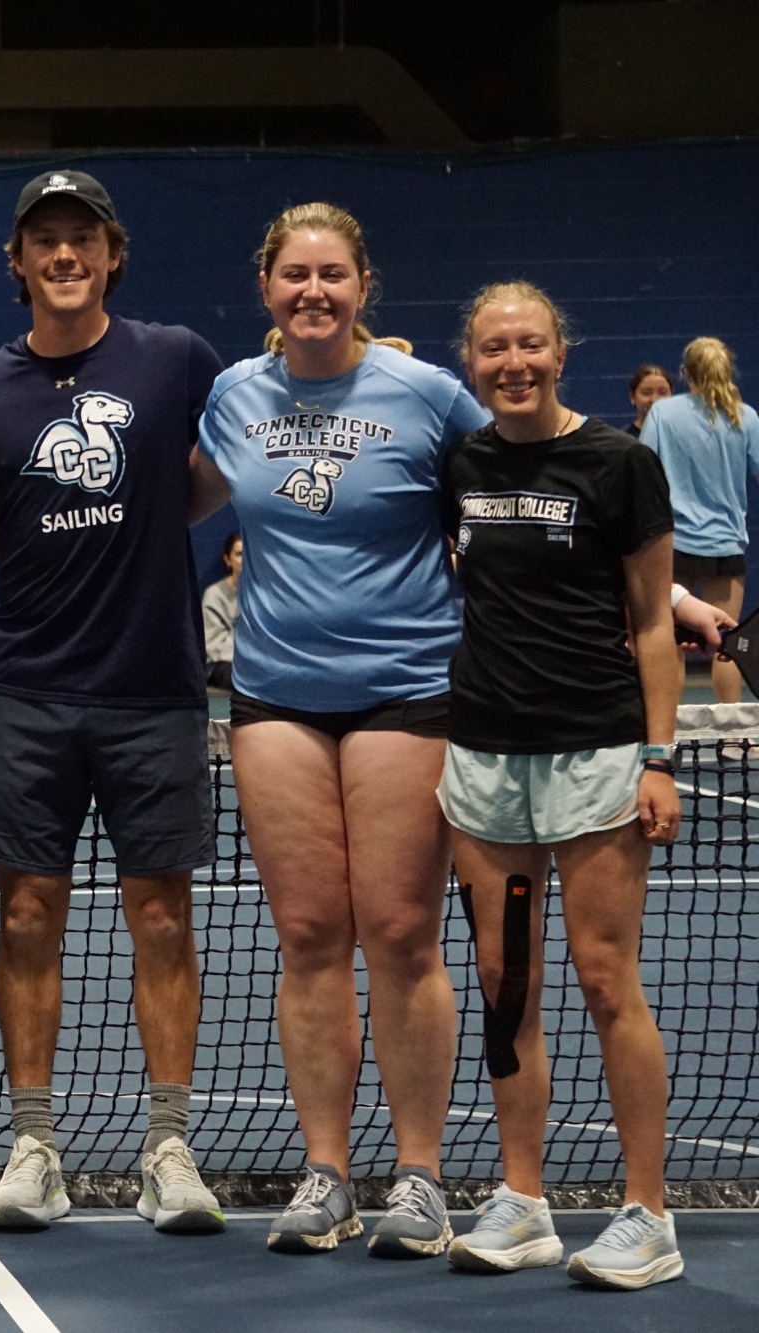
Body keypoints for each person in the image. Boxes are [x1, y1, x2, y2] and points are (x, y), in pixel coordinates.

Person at [189, 202, 490, 1258]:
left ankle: (416, 1175)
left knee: (401, 931)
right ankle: (325, 1175)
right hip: (273, 694)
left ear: (362, 285)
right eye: (292, 276)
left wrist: (662, 597)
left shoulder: (426, 395)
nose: (310, 291)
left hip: (406, 688)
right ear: (265, 288)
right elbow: (159, 505)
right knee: (309, 933)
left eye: (330, 274)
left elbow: (526, 492)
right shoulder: (231, 395)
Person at [0, 170, 226, 1235]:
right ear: (17, 265)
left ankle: (168, 1144)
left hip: (154, 688)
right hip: (28, 688)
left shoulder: (173, 358)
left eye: (81, 239)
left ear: (112, 253)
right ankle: (34, 1145)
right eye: (42, 242)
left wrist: (161, 520)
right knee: (25, 915)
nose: (62, 255)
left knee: (160, 918)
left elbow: (217, 471)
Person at [438, 282, 685, 1289]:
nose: (512, 363)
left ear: (558, 350)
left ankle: (647, 1213)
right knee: (506, 988)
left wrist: (658, 756)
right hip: (485, 760)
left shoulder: (620, 462)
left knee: (599, 976)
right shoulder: (460, 461)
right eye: (492, 348)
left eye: (528, 345)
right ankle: (521, 1200)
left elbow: (651, 621)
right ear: (470, 360)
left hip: (593, 755)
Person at [640, 337, 759, 704]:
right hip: (725, 544)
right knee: (728, 643)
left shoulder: (662, 414)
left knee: (668, 638)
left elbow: (643, 469)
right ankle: (737, 734)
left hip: (672, 545)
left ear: (685, 372)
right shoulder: (747, 417)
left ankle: (667, 732)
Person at [201, 532, 242, 691]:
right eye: (239, 554)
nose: (244, 560)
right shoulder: (215, 594)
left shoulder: (263, 594)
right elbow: (213, 645)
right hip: (223, 664)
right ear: (228, 559)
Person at [622, 364, 673, 437]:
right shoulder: (623, 442)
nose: (654, 399)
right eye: (646, 393)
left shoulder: (682, 437)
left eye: (662, 393)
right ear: (632, 397)